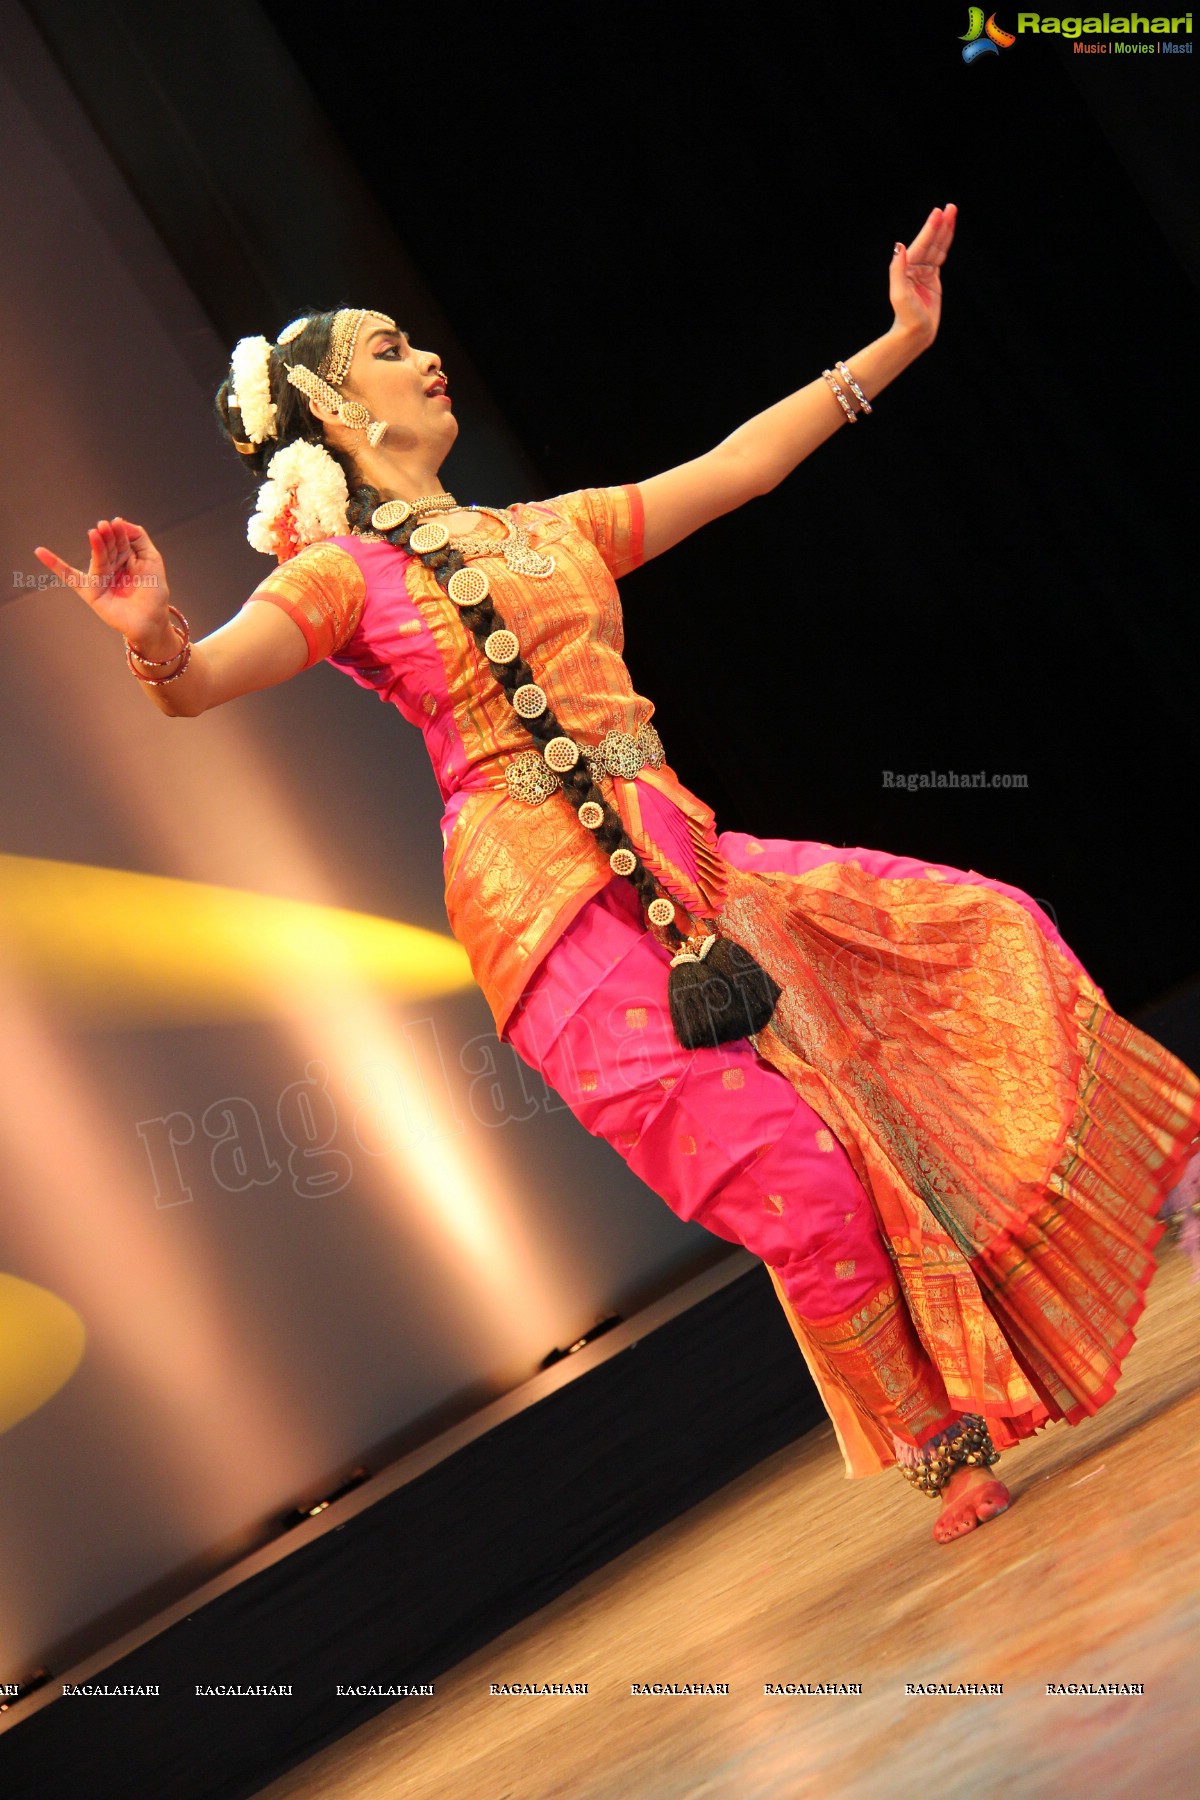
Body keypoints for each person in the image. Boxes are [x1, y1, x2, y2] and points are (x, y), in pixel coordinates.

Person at [35, 204, 1200, 1547]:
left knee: (977, 928)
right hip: (558, 933)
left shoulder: (554, 528)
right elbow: (207, 683)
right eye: (388, 349)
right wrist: (158, 641)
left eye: (414, 340)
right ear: (336, 410)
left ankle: (1152, 1175)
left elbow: (740, 466)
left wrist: (900, 339)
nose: (424, 360)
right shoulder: (341, 579)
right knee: (798, 1181)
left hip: (695, 873)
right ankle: (942, 1442)